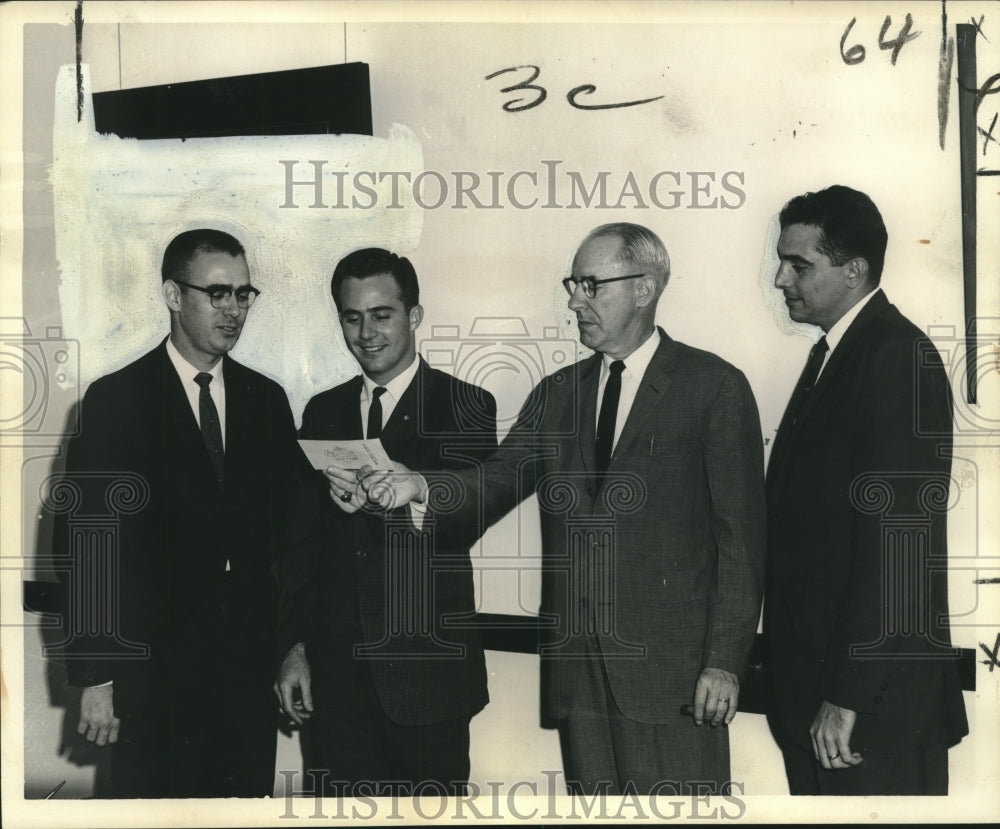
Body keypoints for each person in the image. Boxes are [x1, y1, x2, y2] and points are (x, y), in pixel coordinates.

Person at [340, 224, 767, 795]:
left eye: (591, 285)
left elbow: (742, 540)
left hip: (675, 680)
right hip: (580, 680)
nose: (574, 300)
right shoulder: (558, 391)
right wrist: (417, 485)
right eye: (574, 284)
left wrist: (725, 660)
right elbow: (493, 481)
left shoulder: (713, 386)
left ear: (645, 288)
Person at [52, 229, 311, 797]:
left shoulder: (266, 401)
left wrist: (293, 647)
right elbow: (85, 546)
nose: (234, 310)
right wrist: (97, 675)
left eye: (244, 294)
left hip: (245, 673)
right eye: (217, 293)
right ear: (173, 295)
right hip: (151, 677)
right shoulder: (117, 400)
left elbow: (294, 536)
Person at [765, 185, 968, 795]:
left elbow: (900, 546)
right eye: (783, 260)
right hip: (825, 705)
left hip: (870, 717)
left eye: (799, 264)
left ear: (854, 271)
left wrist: (846, 694)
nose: (779, 278)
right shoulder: (841, 352)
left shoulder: (896, 355)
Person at [274, 248, 497, 797]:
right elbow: (301, 547)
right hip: (337, 682)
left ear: (414, 316)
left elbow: (468, 518)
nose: (366, 332)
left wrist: (408, 489)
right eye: (352, 317)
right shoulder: (322, 411)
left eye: (382, 314)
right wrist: (294, 648)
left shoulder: (466, 405)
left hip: (430, 682)